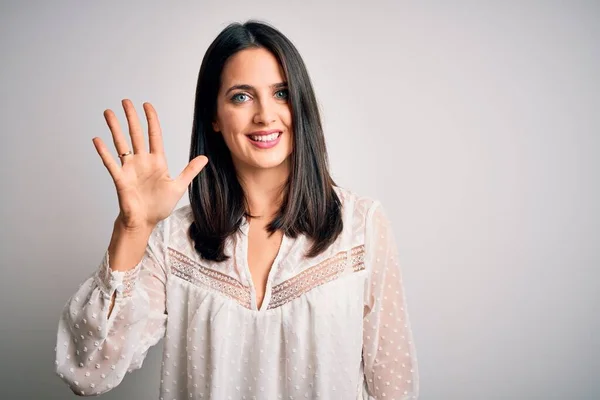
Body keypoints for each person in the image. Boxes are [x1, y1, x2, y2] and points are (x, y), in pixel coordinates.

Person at [54, 20, 419, 399]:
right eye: (241, 97)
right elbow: (88, 373)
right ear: (214, 116)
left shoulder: (361, 227)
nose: (264, 115)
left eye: (281, 93)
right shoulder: (172, 242)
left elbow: (393, 386)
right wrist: (133, 229)